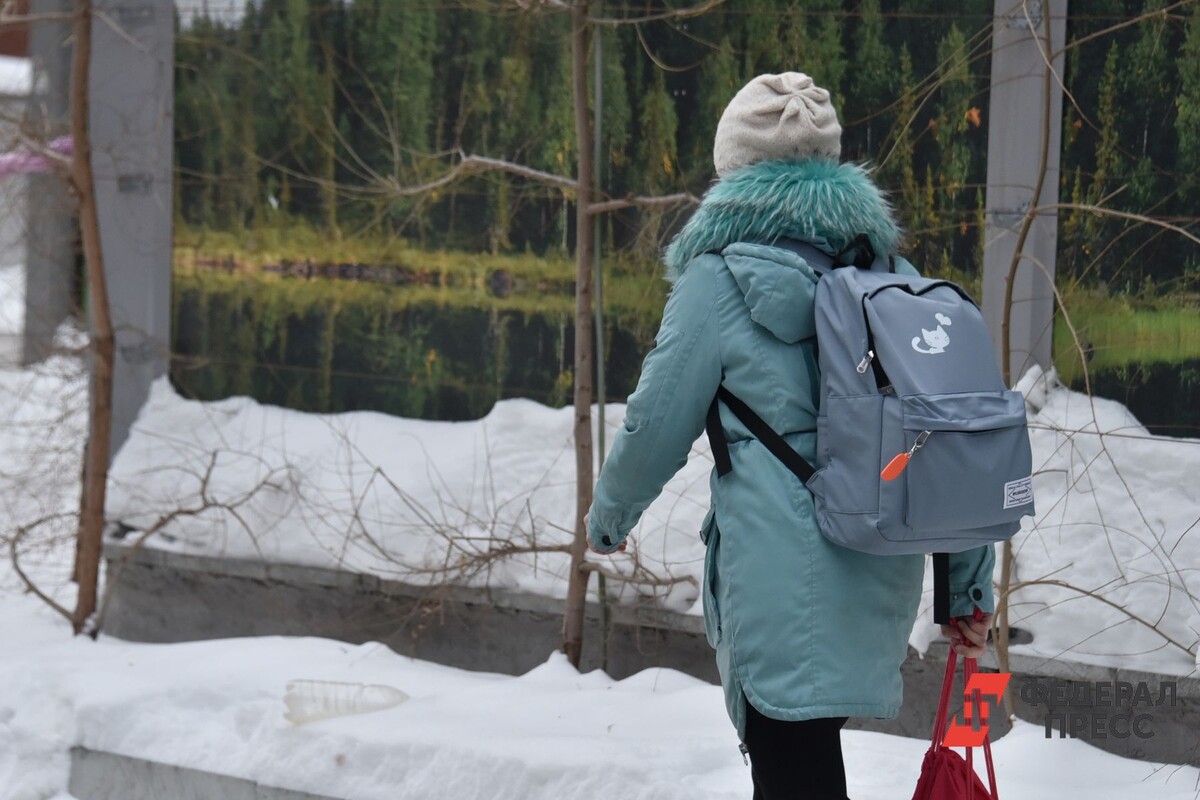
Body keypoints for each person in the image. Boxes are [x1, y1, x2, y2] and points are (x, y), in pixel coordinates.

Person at [586, 73, 995, 800]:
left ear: (734, 170)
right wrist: (966, 591)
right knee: (802, 764)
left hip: (778, 580)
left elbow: (655, 420)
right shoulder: (892, 280)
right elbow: (951, 444)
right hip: (874, 568)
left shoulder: (718, 283)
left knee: (792, 768)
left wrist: (609, 518)